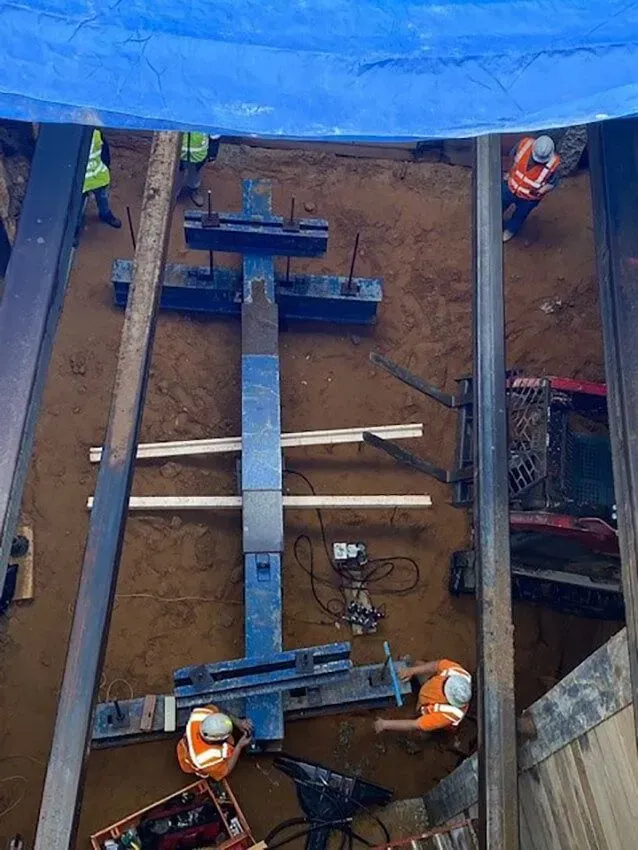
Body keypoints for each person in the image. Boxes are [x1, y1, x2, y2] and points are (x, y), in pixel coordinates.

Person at [374, 658, 472, 736]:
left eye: (443, 690)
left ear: (450, 700)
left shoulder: (447, 715)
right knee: (418, 664)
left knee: (419, 728)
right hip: (427, 687)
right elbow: (436, 665)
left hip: (426, 706)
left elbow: (414, 725)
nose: (442, 685)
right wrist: (411, 671)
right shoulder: (459, 673)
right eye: (444, 683)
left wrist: (384, 724)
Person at [502, 135, 560, 242]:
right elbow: (512, 156)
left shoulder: (554, 164)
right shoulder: (524, 144)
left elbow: (553, 182)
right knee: (500, 204)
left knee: (519, 215)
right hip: (510, 187)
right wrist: (508, 173)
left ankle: (510, 230)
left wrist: (544, 189)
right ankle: (495, 222)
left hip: (529, 198)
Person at [177, 705, 253, 780]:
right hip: (189, 763)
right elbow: (226, 769)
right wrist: (239, 746)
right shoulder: (207, 760)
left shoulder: (199, 715)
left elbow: (217, 709)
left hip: (183, 746)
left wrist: (238, 722)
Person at [82, 129, 121, 228]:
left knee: (103, 199)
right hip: (83, 182)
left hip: (98, 178)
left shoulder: (97, 134)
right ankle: (75, 225)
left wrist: (106, 168)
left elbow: (105, 153)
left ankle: (105, 215)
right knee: (77, 207)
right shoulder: (72, 139)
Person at [179, 132, 221, 207]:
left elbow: (215, 135)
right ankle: (174, 191)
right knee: (176, 174)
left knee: (195, 176)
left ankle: (193, 190)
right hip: (178, 154)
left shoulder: (209, 120)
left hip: (198, 156)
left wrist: (212, 155)